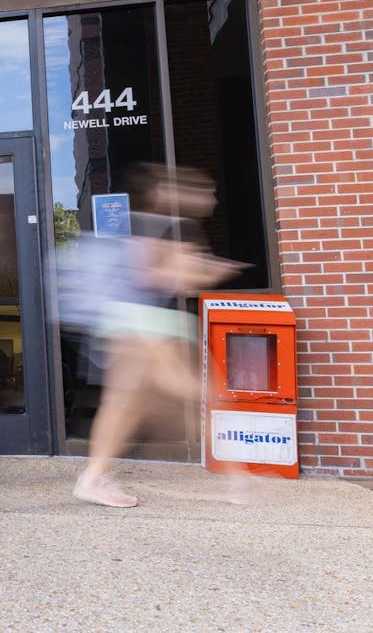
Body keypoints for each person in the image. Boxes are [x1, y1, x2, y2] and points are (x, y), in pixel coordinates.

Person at [72, 164, 240, 508]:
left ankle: (93, 477)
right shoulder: (176, 227)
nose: (210, 199)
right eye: (203, 191)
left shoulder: (137, 222)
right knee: (195, 392)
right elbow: (164, 278)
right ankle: (239, 476)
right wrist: (211, 272)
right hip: (143, 325)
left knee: (128, 404)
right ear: (174, 192)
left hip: (120, 321)